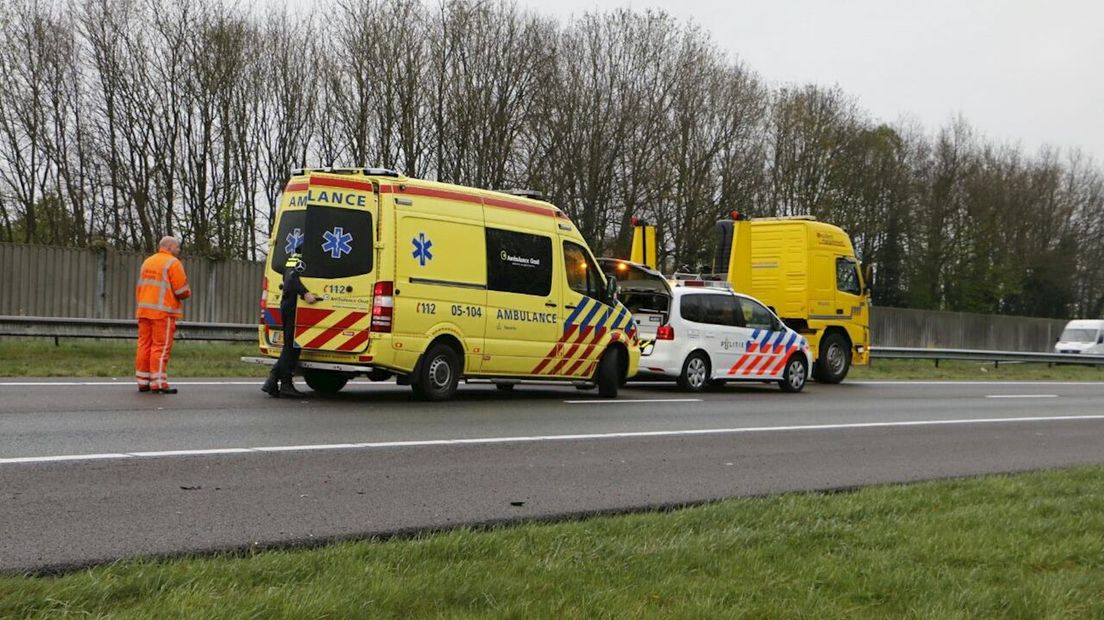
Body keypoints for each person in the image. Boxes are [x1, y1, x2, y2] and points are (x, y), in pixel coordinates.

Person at [135, 236, 190, 394]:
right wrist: (187, 292)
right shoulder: (173, 263)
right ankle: (158, 383)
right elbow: (181, 291)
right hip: (162, 312)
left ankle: (143, 381)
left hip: (144, 310)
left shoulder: (148, 262)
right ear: (170, 247)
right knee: (160, 347)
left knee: (144, 345)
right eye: (177, 247)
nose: (179, 250)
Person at [262, 243, 319, 397]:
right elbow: (291, 280)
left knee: (292, 347)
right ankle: (273, 378)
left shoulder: (292, 260)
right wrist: (305, 293)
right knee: (291, 347)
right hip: (294, 307)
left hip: (290, 305)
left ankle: (282, 383)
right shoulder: (298, 262)